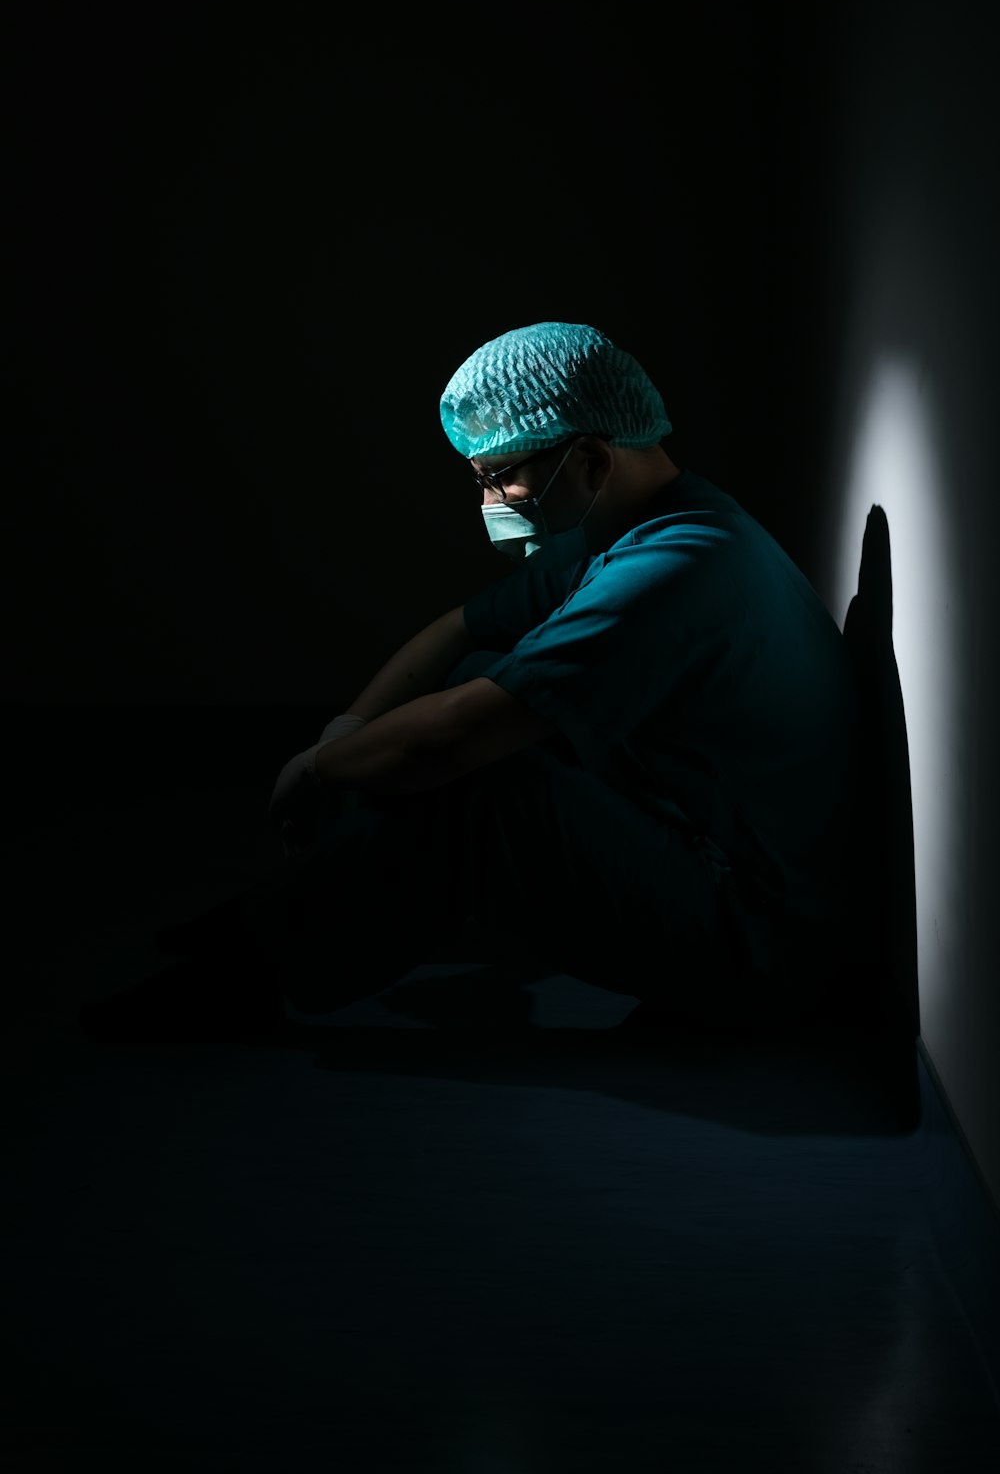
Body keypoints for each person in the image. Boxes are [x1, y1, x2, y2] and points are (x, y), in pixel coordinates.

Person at [79, 320, 876, 1045]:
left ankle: (254, 968)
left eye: (501, 478)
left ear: (591, 458)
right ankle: (275, 922)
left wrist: (316, 773)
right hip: (714, 847)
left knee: (478, 782)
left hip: (767, 950)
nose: (493, 503)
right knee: (479, 674)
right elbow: (458, 630)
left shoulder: (673, 571)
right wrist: (345, 733)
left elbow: (453, 739)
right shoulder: (650, 524)